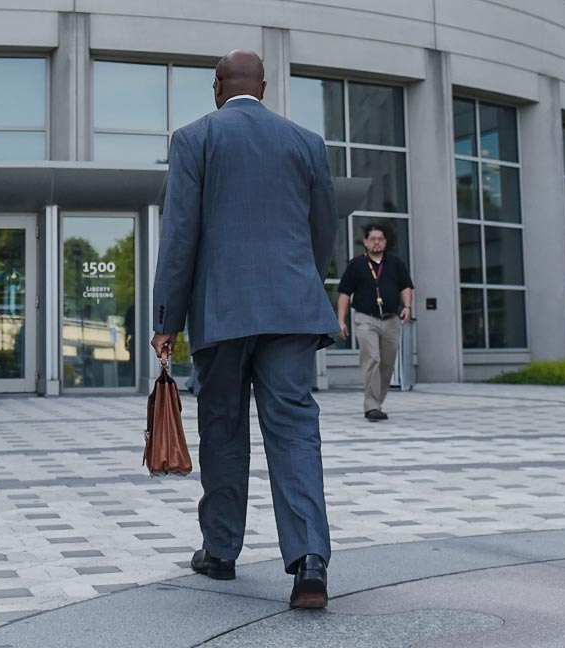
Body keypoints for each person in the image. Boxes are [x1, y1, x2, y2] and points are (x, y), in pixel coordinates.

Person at [151, 49, 339, 610]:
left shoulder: (194, 139)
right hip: (290, 309)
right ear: (262, 88)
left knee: (224, 430)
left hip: (222, 313)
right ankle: (310, 560)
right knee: (295, 429)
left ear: (217, 88)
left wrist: (167, 321)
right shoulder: (306, 142)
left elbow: (180, 236)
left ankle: (221, 551)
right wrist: (300, 281)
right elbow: (322, 231)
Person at [336, 223, 415, 421]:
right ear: (365, 242)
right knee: (372, 357)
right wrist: (341, 321)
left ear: (385, 242)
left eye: (380, 239)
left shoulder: (395, 263)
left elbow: (406, 286)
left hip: (391, 320)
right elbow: (345, 293)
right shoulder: (356, 265)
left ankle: (376, 402)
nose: (376, 242)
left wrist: (407, 306)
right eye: (372, 239)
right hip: (365, 319)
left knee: (387, 363)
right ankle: (371, 406)